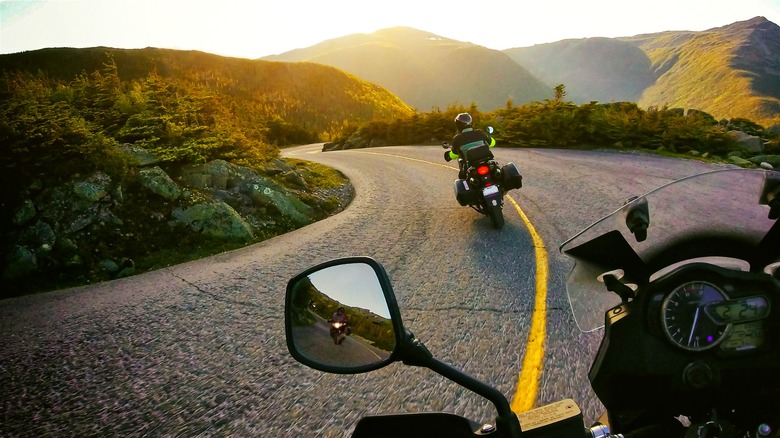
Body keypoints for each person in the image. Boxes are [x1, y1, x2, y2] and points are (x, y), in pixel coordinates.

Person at [443, 113, 496, 179]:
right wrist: (488, 136)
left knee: (463, 178)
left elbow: (454, 154)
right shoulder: (479, 132)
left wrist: (448, 156)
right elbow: (492, 143)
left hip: (471, 166)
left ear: (458, 125)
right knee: (495, 168)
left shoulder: (457, 138)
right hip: (486, 162)